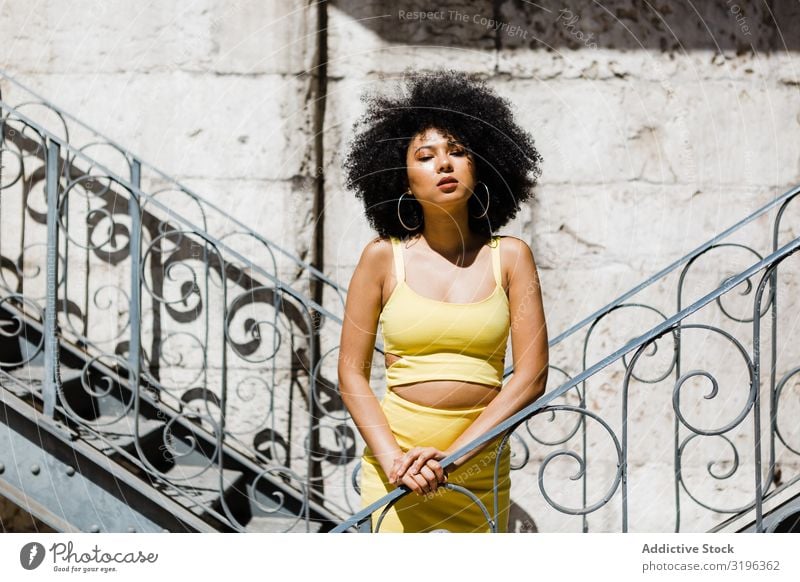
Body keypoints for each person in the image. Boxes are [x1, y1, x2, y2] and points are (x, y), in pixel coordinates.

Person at [338, 69, 549, 532]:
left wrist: (453, 459)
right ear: (403, 178)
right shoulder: (380, 259)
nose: (446, 164)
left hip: (478, 465)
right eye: (426, 156)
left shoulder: (511, 257)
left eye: (458, 152)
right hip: (397, 471)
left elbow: (531, 378)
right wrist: (395, 461)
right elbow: (350, 374)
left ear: (483, 167)